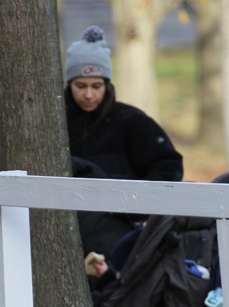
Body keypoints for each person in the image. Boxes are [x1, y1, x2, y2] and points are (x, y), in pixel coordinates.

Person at [64, 26, 184, 262]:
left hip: (121, 231)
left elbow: (167, 167)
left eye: (96, 86)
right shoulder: (55, 125)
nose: (88, 95)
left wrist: (133, 207)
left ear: (107, 85)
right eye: (81, 86)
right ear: (70, 85)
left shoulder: (132, 121)